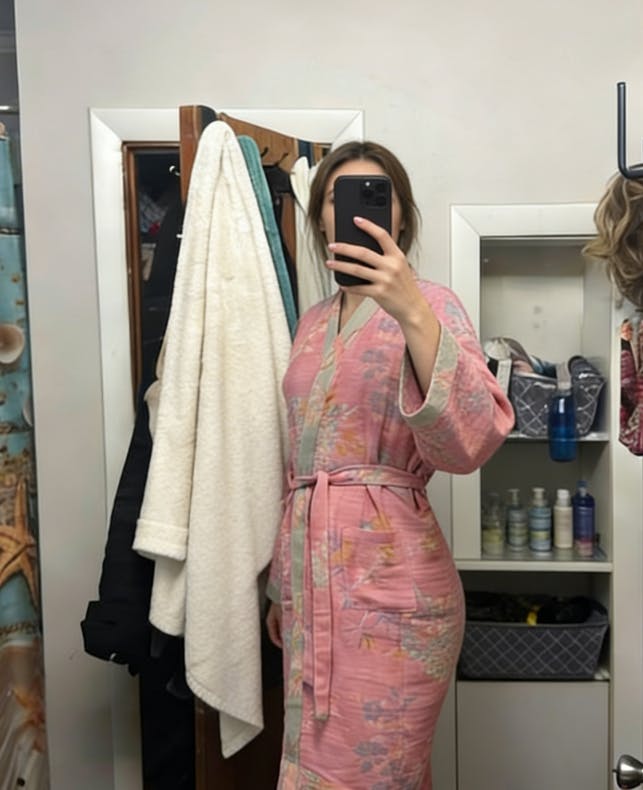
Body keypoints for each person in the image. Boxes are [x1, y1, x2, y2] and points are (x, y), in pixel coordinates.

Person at [265, 141, 514, 789]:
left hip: (395, 595)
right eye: (335, 197)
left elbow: (470, 442)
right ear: (320, 217)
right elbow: (295, 462)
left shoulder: (433, 304)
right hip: (311, 592)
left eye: (377, 195)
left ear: (400, 216)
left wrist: (409, 312)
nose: (351, 210)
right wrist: (284, 585)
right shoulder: (310, 324)